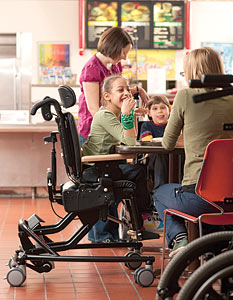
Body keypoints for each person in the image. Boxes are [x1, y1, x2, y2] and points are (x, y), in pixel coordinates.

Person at [153, 46, 233, 257]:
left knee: (160, 192)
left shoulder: (186, 96)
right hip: (231, 196)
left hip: (199, 196)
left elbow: (168, 144)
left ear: (191, 73)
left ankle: (180, 240)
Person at [82, 74, 154, 243]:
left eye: (128, 89)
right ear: (107, 96)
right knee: (138, 172)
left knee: (136, 170)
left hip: (103, 167)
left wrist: (131, 115)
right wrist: (127, 114)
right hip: (96, 169)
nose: (127, 93)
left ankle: (137, 219)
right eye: (120, 90)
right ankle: (144, 215)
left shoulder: (112, 115)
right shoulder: (105, 115)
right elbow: (129, 141)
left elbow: (130, 138)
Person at [78, 26, 149, 147]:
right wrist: (119, 126)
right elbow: (94, 109)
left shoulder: (115, 66)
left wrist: (138, 90)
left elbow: (115, 93)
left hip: (113, 127)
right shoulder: (92, 69)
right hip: (95, 132)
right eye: (123, 52)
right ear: (113, 47)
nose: (125, 57)